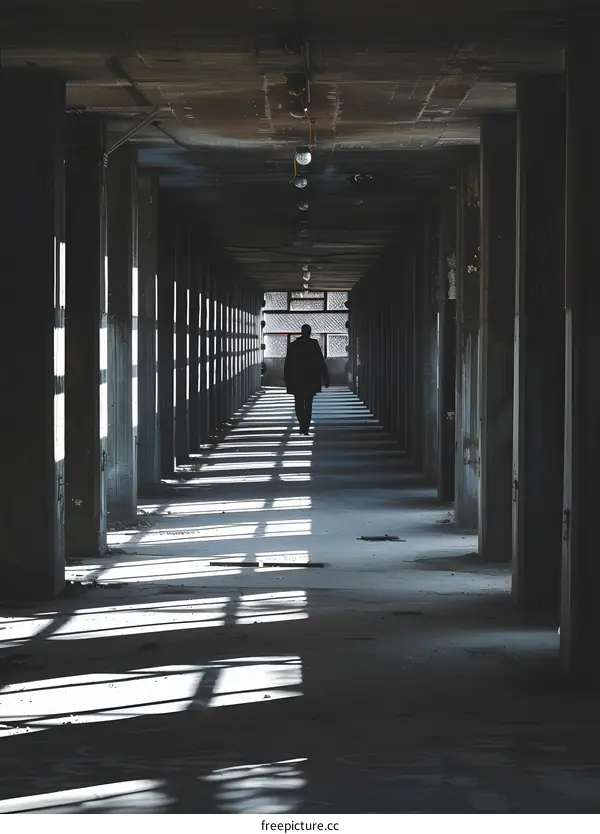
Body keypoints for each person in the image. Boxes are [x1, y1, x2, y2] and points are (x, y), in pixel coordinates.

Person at [284, 324, 330, 435]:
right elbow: (320, 362)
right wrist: (325, 378)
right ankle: (306, 426)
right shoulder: (313, 344)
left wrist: (287, 379)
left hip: (297, 379)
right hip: (311, 379)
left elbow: (288, 364)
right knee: (308, 404)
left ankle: (302, 423)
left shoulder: (294, 345)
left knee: (299, 403)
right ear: (309, 332)